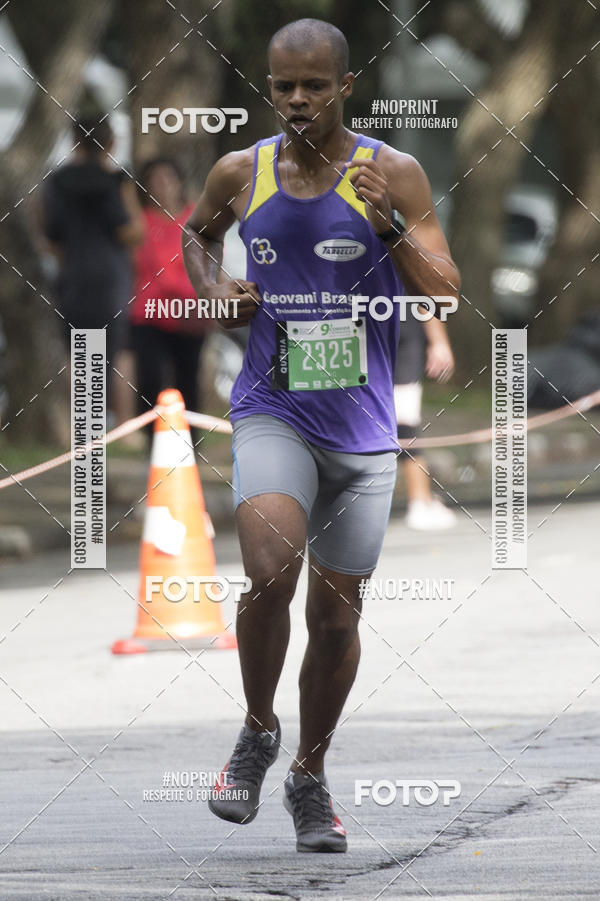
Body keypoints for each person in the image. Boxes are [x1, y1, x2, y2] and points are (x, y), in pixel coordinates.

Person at [183, 19, 460, 853]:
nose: (297, 100)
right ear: (269, 88)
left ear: (345, 85)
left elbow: (445, 291)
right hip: (274, 406)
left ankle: (309, 773)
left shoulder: (394, 174)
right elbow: (197, 237)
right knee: (269, 568)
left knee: (337, 621)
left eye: (313, 85)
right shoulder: (242, 170)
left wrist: (391, 228)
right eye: (282, 86)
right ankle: (258, 729)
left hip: (365, 430)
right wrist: (217, 286)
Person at [41, 116, 144, 415]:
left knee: (76, 354)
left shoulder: (56, 181)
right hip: (110, 279)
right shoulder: (116, 181)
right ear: (111, 142)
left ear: (74, 141)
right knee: (111, 354)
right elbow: (132, 232)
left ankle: (81, 427)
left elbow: (50, 237)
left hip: (72, 276)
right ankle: (108, 429)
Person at [130, 158, 209, 428]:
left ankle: (190, 440)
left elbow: (212, 262)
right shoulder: (138, 223)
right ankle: (152, 439)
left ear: (178, 183)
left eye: (167, 178)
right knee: (149, 378)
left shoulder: (196, 218)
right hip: (149, 314)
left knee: (188, 378)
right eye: (155, 180)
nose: (162, 185)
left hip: (190, 313)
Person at [395, 314, 457, 529]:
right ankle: (420, 501)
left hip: (399, 326)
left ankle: (420, 501)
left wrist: (438, 341)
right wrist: (439, 341)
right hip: (366, 324)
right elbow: (427, 291)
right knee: (403, 420)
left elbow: (425, 291)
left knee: (404, 418)